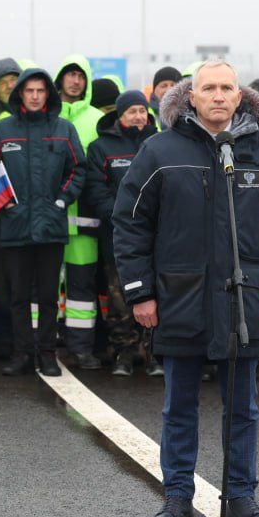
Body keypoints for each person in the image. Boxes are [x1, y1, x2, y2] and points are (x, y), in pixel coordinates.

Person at [113, 61, 259, 517]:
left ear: (239, 96)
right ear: (191, 97)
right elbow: (130, 224)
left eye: (227, 88)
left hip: (245, 301)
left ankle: (241, 495)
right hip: (180, 298)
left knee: (242, 407)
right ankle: (178, 496)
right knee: (179, 405)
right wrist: (141, 293)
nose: (219, 96)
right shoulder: (159, 151)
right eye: (209, 88)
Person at [0, 68, 85, 377]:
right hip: (15, 226)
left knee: (48, 297)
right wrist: (2, 204)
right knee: (17, 296)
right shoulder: (2, 130)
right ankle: (22, 353)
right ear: (19, 93)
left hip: (51, 226)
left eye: (40, 90)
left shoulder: (64, 129)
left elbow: (78, 170)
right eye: (29, 90)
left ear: (49, 94)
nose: (35, 96)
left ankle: (47, 354)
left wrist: (61, 200)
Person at [81, 90, 157, 376]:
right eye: (132, 111)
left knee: (154, 295)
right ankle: (124, 352)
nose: (138, 116)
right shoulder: (101, 147)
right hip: (118, 237)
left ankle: (152, 353)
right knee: (118, 298)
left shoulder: (158, 143)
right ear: (119, 116)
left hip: (155, 238)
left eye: (142, 111)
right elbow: (96, 190)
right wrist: (125, 214)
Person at [54, 54, 104, 368]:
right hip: (50, 216)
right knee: (42, 285)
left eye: (80, 76)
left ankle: (81, 348)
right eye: (69, 75)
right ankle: (41, 343)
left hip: (84, 220)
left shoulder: (97, 119)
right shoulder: (47, 116)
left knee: (81, 287)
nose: (75, 81)